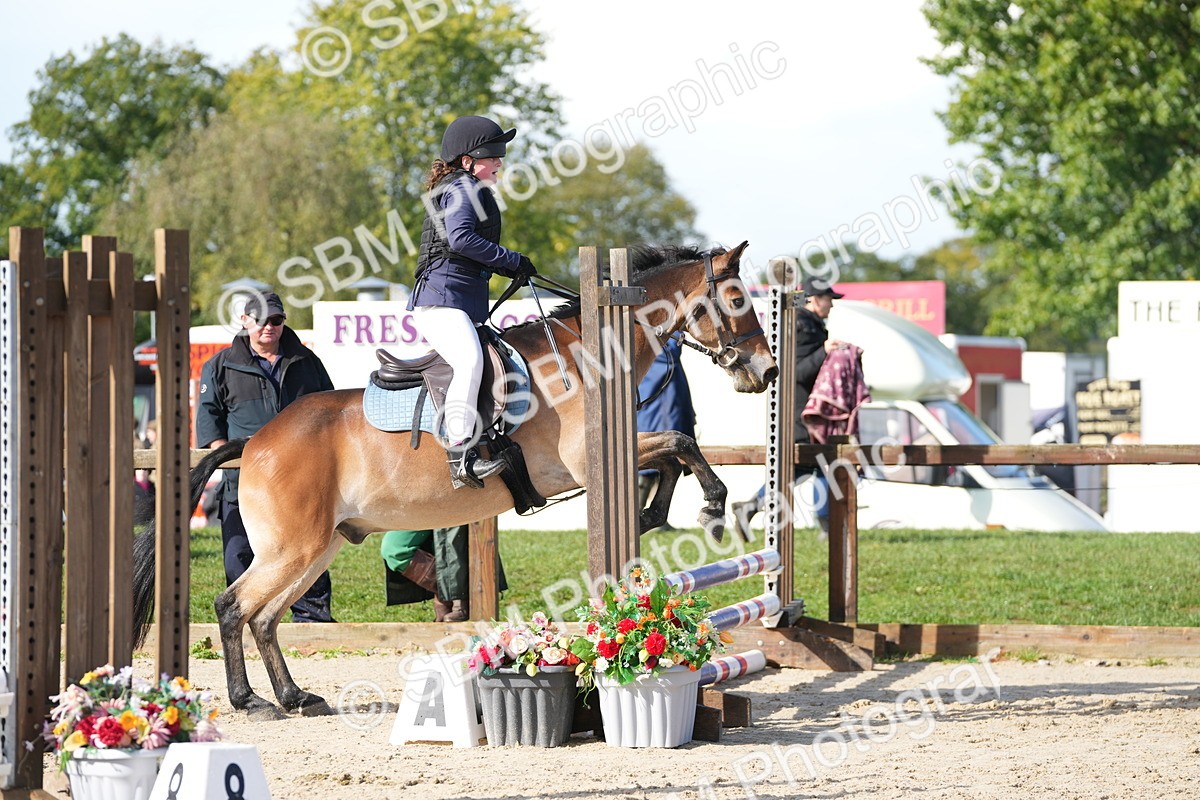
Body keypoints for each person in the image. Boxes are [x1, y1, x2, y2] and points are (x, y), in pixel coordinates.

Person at [407, 114, 538, 489]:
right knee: (470, 359)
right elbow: (460, 239)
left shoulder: (464, 186)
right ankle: (461, 454)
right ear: (467, 161)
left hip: (454, 299)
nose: (500, 162)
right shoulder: (463, 188)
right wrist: (511, 259)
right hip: (441, 301)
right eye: (493, 155)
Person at [195, 290, 337, 622]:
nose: (268, 328)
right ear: (245, 321)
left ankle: (312, 628)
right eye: (260, 321)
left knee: (308, 553)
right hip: (245, 484)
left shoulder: (307, 361)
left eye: (276, 320)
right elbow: (209, 425)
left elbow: (331, 415)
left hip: (302, 482)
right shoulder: (218, 367)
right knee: (238, 559)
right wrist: (237, 465)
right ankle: (244, 623)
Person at [732, 275, 849, 539]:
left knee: (807, 466)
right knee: (816, 463)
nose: (831, 305)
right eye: (828, 299)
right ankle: (825, 524)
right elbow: (797, 372)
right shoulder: (803, 326)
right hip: (801, 413)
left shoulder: (809, 324)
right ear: (814, 299)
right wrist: (825, 350)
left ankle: (751, 507)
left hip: (803, 411)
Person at [380, 525, 506, 622]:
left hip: (454, 498)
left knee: (451, 537)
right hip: (417, 500)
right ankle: (449, 596)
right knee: (393, 548)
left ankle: (457, 598)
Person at [636, 337, 697, 530]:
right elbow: (668, 355)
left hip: (666, 402)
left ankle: (655, 515)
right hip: (657, 405)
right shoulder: (653, 336)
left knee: (664, 463)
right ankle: (636, 514)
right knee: (650, 462)